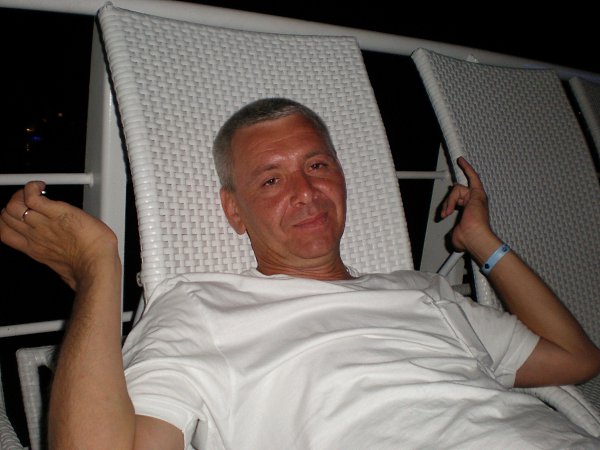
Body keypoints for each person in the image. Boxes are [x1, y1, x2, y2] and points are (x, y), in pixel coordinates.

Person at [1, 98, 599, 449]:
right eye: (271, 179)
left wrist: (483, 243)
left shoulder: (421, 290)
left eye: (317, 165)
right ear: (234, 211)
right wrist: (98, 269)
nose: (307, 192)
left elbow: (577, 360)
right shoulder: (202, 307)